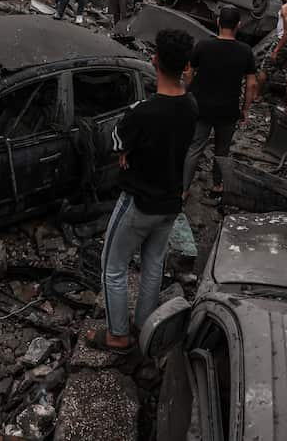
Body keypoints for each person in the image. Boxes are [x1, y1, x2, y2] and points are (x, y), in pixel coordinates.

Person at [84, 29, 198, 354]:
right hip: (170, 202)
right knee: (153, 264)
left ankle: (118, 335)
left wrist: (127, 151)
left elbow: (116, 140)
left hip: (139, 202)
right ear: (186, 66)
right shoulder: (190, 106)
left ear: (154, 60)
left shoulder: (142, 113)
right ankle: (145, 326)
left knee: (113, 264)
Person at [185, 6, 258, 197]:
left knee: (194, 148)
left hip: (201, 107)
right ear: (238, 25)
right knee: (222, 151)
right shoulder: (246, 51)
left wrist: (188, 93)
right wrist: (246, 109)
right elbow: (251, 85)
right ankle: (217, 185)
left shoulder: (203, 45)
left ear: (218, 22)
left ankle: (183, 190)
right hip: (228, 109)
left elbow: (188, 72)